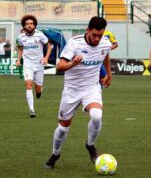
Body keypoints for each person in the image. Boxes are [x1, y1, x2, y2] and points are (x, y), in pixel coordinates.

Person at [44, 16, 112, 169]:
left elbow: (105, 55)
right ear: (88, 30)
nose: (97, 38)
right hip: (72, 90)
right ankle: (56, 153)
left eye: (100, 35)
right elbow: (59, 66)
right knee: (63, 127)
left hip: (91, 88)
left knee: (96, 116)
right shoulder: (74, 43)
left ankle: (90, 145)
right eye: (94, 35)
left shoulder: (105, 43)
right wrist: (72, 63)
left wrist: (108, 74)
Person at [16, 15, 52, 118]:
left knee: (38, 89)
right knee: (28, 85)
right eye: (27, 24)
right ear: (24, 26)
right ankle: (32, 110)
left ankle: (39, 91)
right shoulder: (20, 37)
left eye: (31, 24)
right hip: (28, 65)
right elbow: (20, 49)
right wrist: (18, 60)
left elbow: (49, 46)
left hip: (39, 64)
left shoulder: (40, 35)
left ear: (34, 25)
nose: (29, 26)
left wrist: (46, 58)